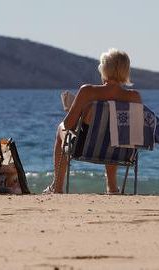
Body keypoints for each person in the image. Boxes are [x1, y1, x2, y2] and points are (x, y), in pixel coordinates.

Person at [44, 48, 142, 194]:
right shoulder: (134, 97)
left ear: (104, 69)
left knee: (60, 128)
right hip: (122, 152)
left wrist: (75, 111)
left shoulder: (88, 91)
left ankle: (57, 187)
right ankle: (112, 187)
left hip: (85, 148)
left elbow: (68, 125)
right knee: (114, 134)